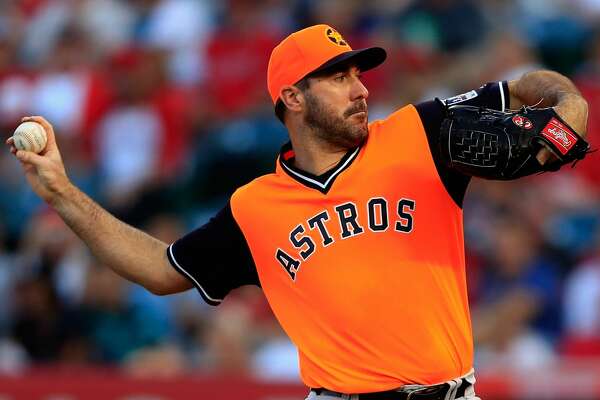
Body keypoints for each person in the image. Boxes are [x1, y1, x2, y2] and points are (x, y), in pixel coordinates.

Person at [6, 25, 589, 400]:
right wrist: (61, 191)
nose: (360, 88)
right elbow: (162, 269)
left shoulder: (419, 130)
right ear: (292, 97)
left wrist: (567, 102)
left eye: (359, 73)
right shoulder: (256, 207)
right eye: (338, 77)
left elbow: (529, 90)